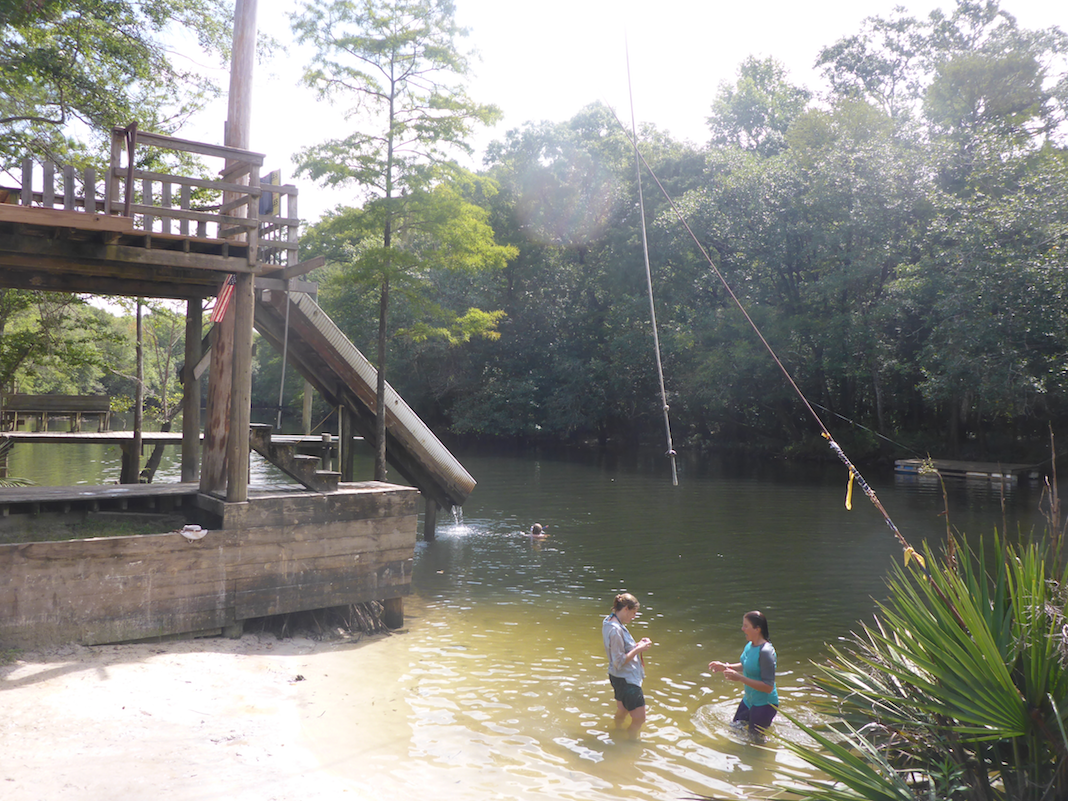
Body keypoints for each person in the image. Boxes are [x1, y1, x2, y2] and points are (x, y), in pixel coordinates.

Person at [708, 610, 778, 736]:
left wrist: (740, 678)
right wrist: (725, 666)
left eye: (746, 626)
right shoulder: (750, 645)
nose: (742, 629)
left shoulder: (766, 652)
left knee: (755, 742)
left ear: (757, 629)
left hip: (764, 704)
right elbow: (746, 665)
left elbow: (768, 687)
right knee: (734, 730)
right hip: (749, 700)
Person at [602, 592, 653, 739]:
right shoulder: (616, 629)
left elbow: (618, 651)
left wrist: (637, 645)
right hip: (627, 680)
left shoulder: (609, 621)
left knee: (623, 710)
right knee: (640, 719)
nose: (634, 616)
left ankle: (616, 732)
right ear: (625, 609)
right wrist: (639, 649)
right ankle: (629, 742)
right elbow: (618, 661)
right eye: (633, 612)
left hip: (617, 677)